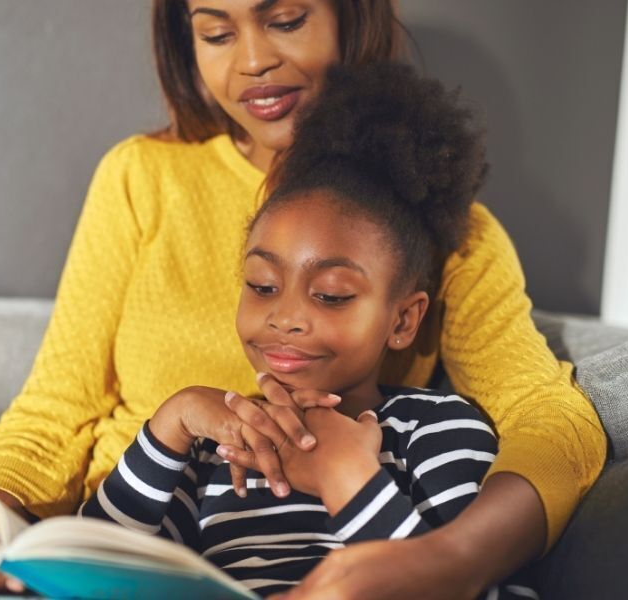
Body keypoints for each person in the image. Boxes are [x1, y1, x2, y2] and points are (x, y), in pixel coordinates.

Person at [0, 1, 606, 598]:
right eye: (216, 32)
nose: (255, 62)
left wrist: (451, 561)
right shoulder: (142, 178)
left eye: (287, 19)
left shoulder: (440, 227)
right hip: (111, 535)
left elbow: (550, 420)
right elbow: (53, 410)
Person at [79, 61, 536, 599]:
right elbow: (91, 567)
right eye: (262, 285)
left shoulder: (435, 430)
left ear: (403, 320)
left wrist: (346, 477)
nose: (285, 317)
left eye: (331, 295)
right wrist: (172, 422)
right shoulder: (215, 448)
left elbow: (463, 586)